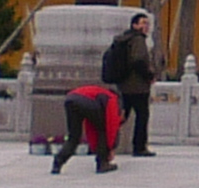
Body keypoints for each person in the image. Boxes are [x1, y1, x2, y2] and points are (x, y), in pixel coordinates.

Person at [104, 11, 158, 158]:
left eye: (147, 23)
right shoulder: (138, 40)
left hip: (124, 84)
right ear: (134, 25)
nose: (146, 26)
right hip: (138, 86)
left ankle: (105, 143)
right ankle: (139, 147)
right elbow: (138, 60)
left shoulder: (123, 39)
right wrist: (149, 76)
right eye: (143, 23)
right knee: (142, 116)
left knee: (121, 116)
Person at [52, 82, 120, 174]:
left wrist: (94, 146)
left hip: (70, 99)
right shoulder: (111, 97)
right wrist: (110, 148)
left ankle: (58, 163)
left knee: (74, 137)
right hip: (82, 100)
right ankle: (102, 163)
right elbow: (111, 126)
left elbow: (90, 126)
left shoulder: (97, 93)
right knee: (103, 130)